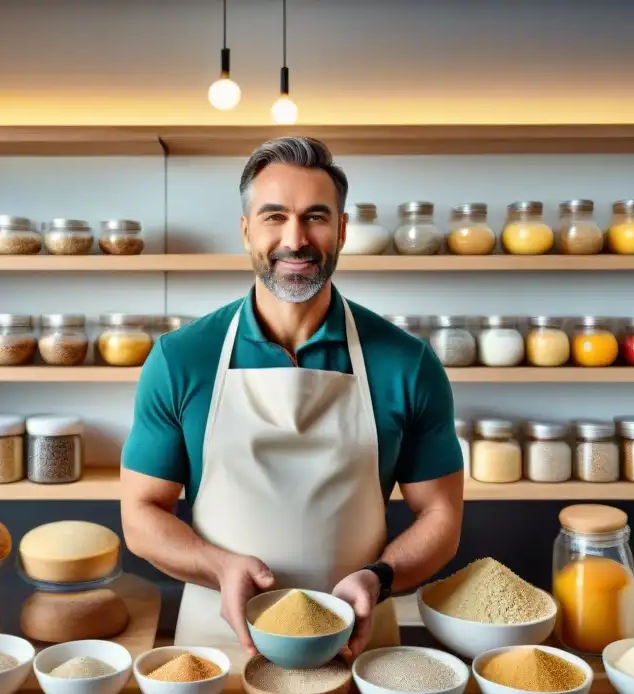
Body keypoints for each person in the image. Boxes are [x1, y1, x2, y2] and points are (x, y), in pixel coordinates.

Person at [120, 136, 464, 661]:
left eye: (316, 217)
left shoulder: (406, 363)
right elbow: (142, 513)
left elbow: (441, 516)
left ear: (343, 230)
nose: (295, 239)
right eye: (274, 217)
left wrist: (379, 578)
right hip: (219, 650)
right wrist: (218, 566)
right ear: (246, 231)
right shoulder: (181, 359)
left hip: (359, 646)